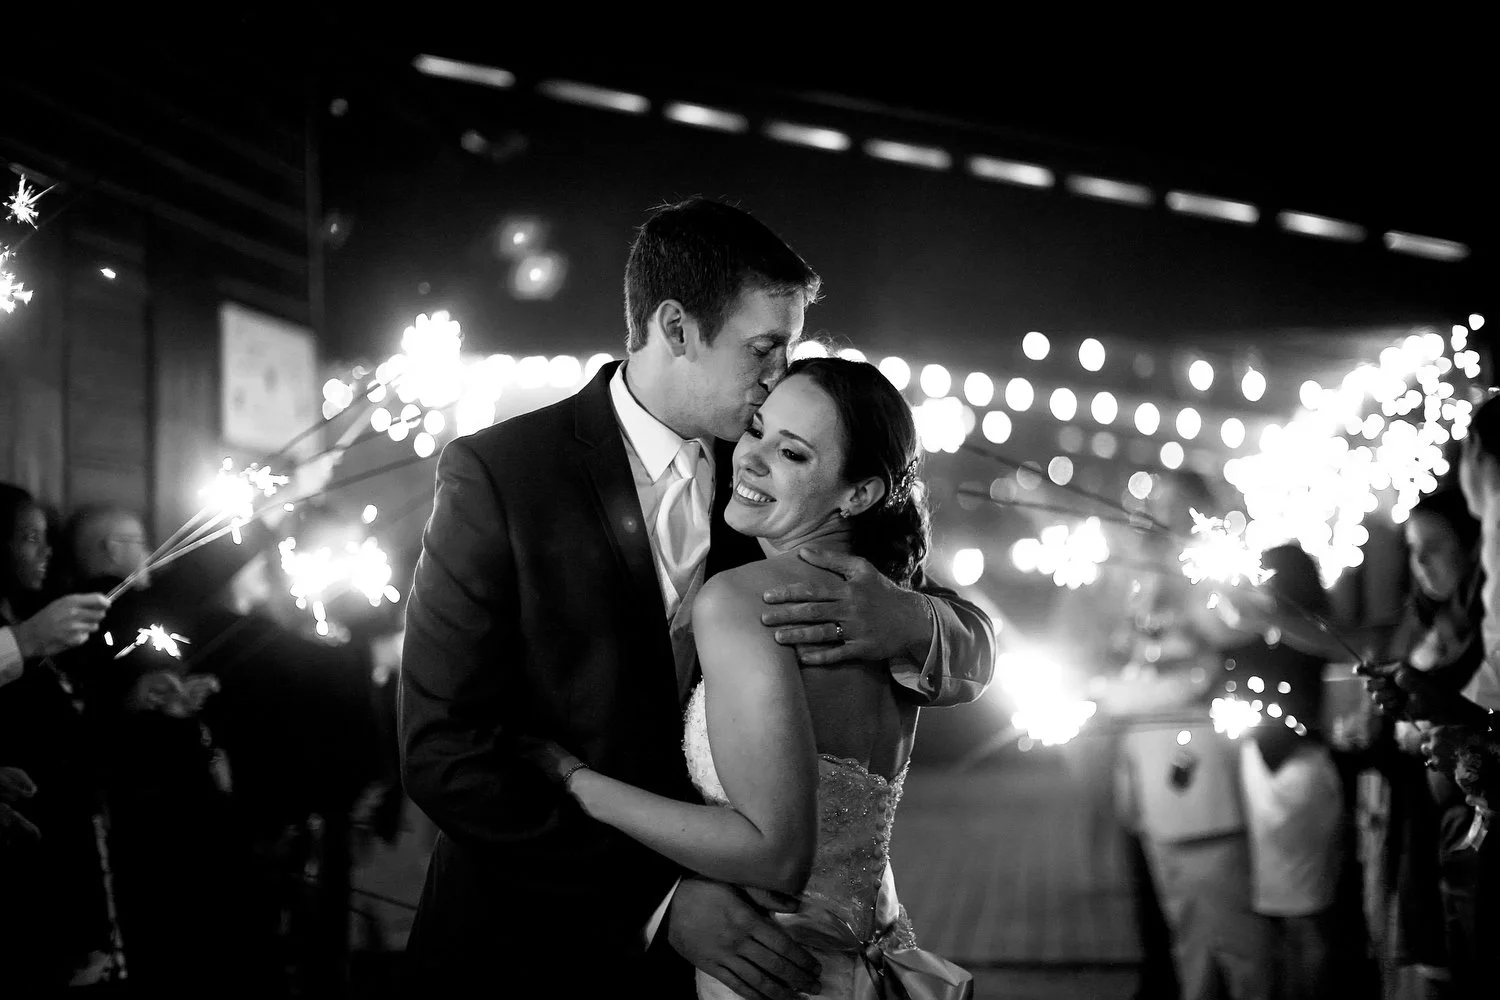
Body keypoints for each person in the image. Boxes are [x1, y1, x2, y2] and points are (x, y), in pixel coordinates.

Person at [399, 199, 995, 998]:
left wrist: (909, 619)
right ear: (676, 329)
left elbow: (970, 639)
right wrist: (655, 898)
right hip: (531, 943)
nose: (779, 374)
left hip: (733, 960)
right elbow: (443, 749)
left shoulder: (775, 475)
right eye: (763, 348)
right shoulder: (502, 476)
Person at [525, 357, 969, 999]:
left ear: (859, 494)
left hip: (769, 970)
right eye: (756, 430)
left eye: (791, 453)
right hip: (861, 957)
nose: (750, 459)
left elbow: (773, 850)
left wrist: (577, 782)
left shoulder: (747, 600)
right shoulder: (887, 597)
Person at [0, 484, 117, 989]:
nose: (45, 551)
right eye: (28, 537)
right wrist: (24, 642)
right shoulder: (26, 629)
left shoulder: (31, 616)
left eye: (46, 537)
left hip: (63, 848)